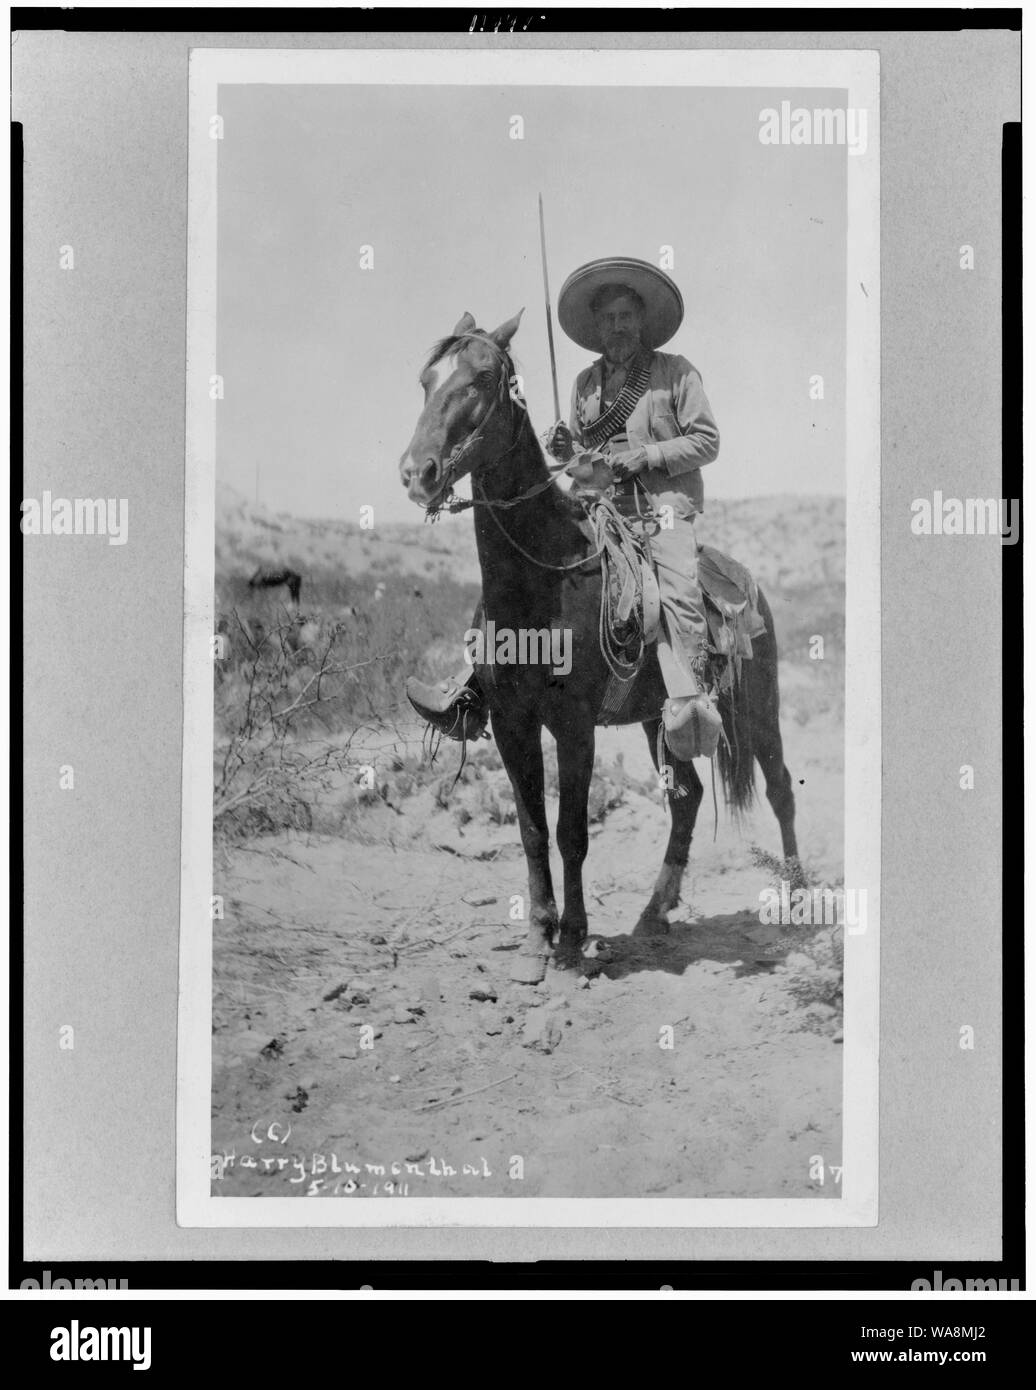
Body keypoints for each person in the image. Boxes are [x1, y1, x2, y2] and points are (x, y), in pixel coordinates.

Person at [408, 256, 724, 756]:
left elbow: (707, 441)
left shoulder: (675, 374)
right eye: (608, 319)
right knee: (516, 568)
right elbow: (581, 457)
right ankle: (475, 680)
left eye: (625, 316)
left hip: (659, 508)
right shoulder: (584, 384)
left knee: (678, 589)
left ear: (641, 321)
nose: (616, 327)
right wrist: (564, 449)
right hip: (598, 503)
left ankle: (692, 698)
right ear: (597, 327)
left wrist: (641, 456)